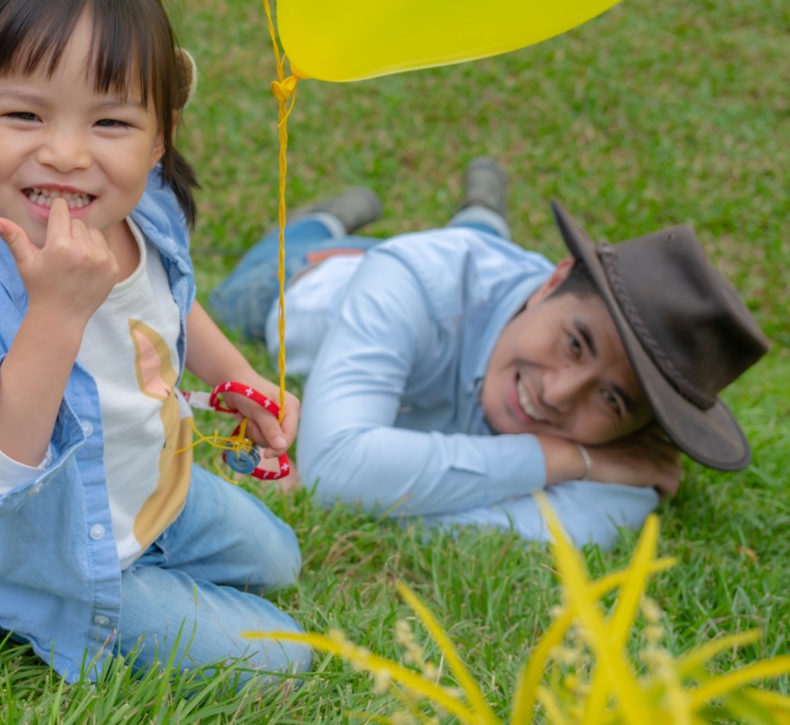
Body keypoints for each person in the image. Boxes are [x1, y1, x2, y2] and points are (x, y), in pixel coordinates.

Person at [0, 0, 311, 688]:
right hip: (53, 551)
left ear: (159, 138)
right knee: (285, 657)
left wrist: (233, 373)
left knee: (280, 558)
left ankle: (161, 548)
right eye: (24, 114)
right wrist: (55, 311)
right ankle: (44, 603)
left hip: (152, 483)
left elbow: (172, 298)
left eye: (110, 121)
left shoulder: (143, 212)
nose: (67, 153)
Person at [206, 160, 771, 547]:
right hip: (315, 281)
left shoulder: (633, 461)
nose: (556, 392)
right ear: (555, 281)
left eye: (613, 399)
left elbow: (527, 530)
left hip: (479, 280)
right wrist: (569, 460)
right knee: (238, 295)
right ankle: (326, 217)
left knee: (481, 247)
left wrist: (380, 492)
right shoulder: (416, 278)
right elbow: (337, 474)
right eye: (576, 344)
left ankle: (482, 215)